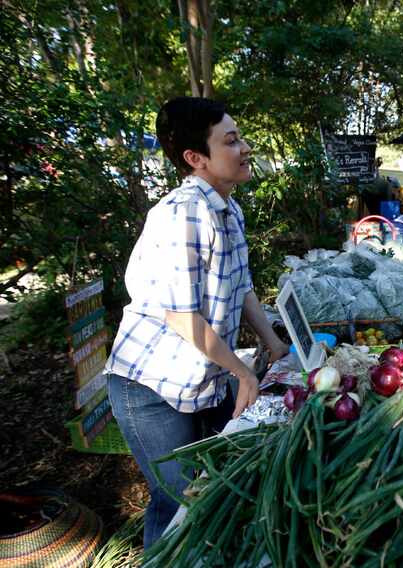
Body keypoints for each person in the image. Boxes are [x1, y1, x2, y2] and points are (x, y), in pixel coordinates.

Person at [104, 97, 290, 546]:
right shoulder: (183, 211)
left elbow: (241, 286)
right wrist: (243, 371)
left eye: (240, 137)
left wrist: (274, 343)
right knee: (175, 502)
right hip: (151, 387)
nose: (244, 148)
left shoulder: (230, 210)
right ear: (195, 158)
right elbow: (182, 315)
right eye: (231, 141)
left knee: (216, 488)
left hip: (203, 378)